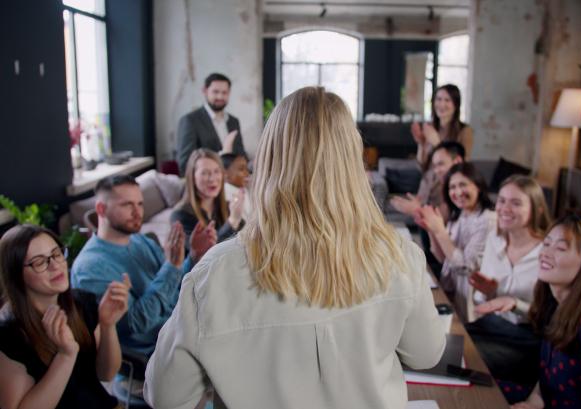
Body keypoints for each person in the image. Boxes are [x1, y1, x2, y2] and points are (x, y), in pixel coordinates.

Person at [144, 86, 446, 409]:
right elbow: (426, 354)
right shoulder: (400, 255)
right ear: (352, 164)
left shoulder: (211, 275)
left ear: (268, 161)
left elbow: (165, 397)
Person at [71, 174, 216, 356]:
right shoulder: (89, 267)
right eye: (127, 205)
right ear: (101, 209)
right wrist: (171, 267)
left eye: (139, 204)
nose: (137, 212)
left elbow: (173, 288)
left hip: (184, 328)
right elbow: (136, 324)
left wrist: (193, 256)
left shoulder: (141, 241)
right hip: (157, 352)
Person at [0, 224, 129, 409]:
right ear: (16, 275)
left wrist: (108, 325)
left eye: (56, 254)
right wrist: (65, 355)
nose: (55, 266)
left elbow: (106, 374)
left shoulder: (81, 303)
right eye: (39, 262)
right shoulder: (8, 334)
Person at [511, 215, 581, 409]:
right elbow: (546, 381)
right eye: (546, 244)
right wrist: (532, 403)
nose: (545, 253)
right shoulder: (555, 305)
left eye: (560, 248)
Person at [465, 175, 551, 387]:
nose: (504, 208)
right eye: (502, 200)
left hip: (528, 338)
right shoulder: (494, 240)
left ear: (538, 209)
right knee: (442, 344)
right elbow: (481, 302)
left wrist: (515, 304)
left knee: (464, 358)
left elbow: (554, 317)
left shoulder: (549, 251)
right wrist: (489, 292)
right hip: (491, 324)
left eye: (516, 203)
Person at [416, 162, 496, 322]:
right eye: (452, 187)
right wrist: (431, 229)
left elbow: (465, 266)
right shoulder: (459, 215)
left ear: (478, 186)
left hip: (471, 304)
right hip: (451, 292)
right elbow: (444, 259)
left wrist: (440, 231)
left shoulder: (488, 220)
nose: (457, 192)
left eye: (463, 185)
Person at [390, 141, 465, 277]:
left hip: (453, 270)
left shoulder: (461, 195)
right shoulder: (442, 185)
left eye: (441, 164)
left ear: (457, 161)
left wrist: (419, 210)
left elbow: (454, 260)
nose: (437, 171)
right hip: (442, 261)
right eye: (434, 166)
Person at [171, 149, 245, 247]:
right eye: (205, 173)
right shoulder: (180, 215)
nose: (212, 178)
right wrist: (232, 221)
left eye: (216, 171)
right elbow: (204, 254)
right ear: (193, 177)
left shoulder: (227, 207)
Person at [177, 73, 246, 174]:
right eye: (215, 92)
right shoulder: (190, 121)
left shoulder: (233, 121)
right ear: (205, 91)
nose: (220, 96)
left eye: (224, 92)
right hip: (206, 184)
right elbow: (185, 164)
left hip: (233, 184)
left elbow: (241, 155)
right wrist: (223, 154)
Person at [412, 84, 473, 169]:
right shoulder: (430, 128)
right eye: (438, 99)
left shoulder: (465, 131)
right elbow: (421, 166)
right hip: (429, 180)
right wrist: (421, 144)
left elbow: (462, 165)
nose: (441, 104)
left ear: (456, 105)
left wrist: (437, 144)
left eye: (447, 100)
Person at [221, 152, 253, 220]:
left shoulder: (242, 189)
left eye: (246, 169)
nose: (247, 173)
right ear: (225, 174)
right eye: (241, 169)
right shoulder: (226, 196)